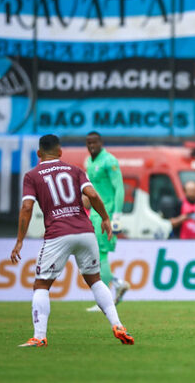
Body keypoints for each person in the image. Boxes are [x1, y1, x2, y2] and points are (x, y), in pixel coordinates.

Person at [10, 134, 134, 347]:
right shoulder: (75, 170)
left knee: (41, 284)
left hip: (58, 233)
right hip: (85, 231)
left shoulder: (32, 175)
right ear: (60, 152)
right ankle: (118, 324)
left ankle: (39, 337)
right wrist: (105, 218)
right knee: (95, 280)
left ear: (39, 153)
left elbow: (27, 207)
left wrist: (20, 240)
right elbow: (93, 195)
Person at [84, 131, 130, 310]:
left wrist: (117, 215)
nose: (91, 146)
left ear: (101, 142)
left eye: (94, 142)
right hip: (94, 214)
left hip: (107, 214)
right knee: (92, 254)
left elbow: (119, 188)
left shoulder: (109, 161)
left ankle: (104, 301)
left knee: (100, 254)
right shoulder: (89, 162)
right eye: (88, 143)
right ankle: (117, 283)